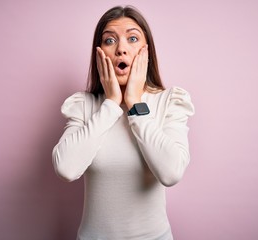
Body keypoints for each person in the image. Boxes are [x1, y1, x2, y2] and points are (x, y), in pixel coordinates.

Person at [52, 5, 195, 240]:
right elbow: (66, 169)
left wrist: (135, 103)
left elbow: (171, 173)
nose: (121, 49)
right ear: (99, 53)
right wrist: (110, 105)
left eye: (132, 38)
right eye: (110, 40)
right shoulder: (83, 105)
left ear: (146, 51)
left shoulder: (170, 101)